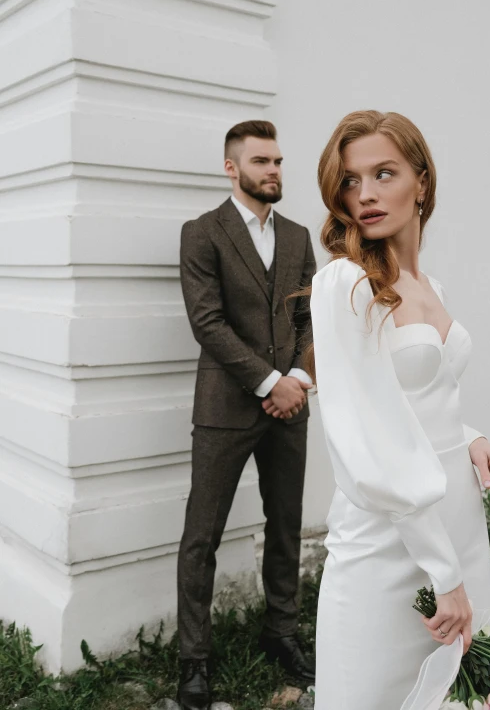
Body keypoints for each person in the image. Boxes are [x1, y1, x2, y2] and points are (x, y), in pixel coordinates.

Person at [308, 111, 490, 709]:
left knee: (456, 690)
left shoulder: (434, 288)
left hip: (458, 517)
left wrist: (469, 435)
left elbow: (416, 394)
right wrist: (440, 571)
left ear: (421, 182)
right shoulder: (346, 284)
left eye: (384, 173)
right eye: (350, 181)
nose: (366, 194)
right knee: (371, 693)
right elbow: (365, 428)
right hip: (388, 536)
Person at [177, 120, 316, 710]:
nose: (275, 171)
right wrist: (268, 382)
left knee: (285, 526)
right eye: (262, 162)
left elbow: (312, 319)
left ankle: (280, 632)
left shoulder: (299, 235)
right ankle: (194, 659)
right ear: (231, 168)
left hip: (291, 408)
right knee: (201, 536)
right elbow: (206, 322)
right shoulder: (201, 233)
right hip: (224, 408)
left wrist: (300, 381)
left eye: (279, 161)